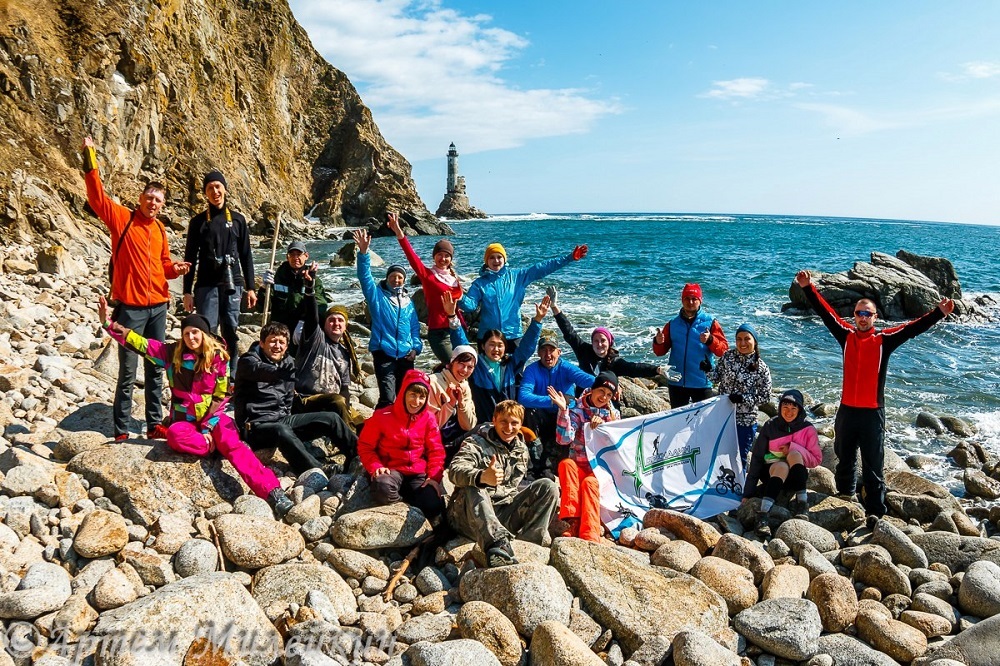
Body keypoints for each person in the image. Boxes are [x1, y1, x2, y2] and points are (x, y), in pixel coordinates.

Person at [98, 297, 293, 517]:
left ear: (204, 334)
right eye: (187, 333)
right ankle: (210, 448)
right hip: (185, 423)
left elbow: (221, 395)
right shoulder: (171, 354)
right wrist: (109, 324)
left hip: (214, 419)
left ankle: (273, 492)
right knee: (173, 435)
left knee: (234, 446)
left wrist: (208, 427)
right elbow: (139, 342)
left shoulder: (219, 357)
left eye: (196, 333)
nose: (191, 337)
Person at [794, 270, 953, 516]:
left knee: (873, 464)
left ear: (875, 317)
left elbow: (912, 328)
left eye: (867, 313)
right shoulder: (846, 336)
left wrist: (938, 313)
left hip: (872, 414)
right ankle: (845, 495)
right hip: (847, 410)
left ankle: (875, 512)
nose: (863, 317)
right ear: (854, 316)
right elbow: (826, 314)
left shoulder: (883, 340)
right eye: (859, 313)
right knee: (843, 456)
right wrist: (808, 288)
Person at [81, 137, 191, 441]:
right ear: (141, 198)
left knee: (156, 367)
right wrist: (90, 155)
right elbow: (97, 198)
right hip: (130, 309)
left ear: (162, 205)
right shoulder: (122, 219)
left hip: (159, 307)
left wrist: (175, 269)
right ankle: (121, 430)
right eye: (149, 198)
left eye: (158, 200)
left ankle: (155, 422)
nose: (153, 203)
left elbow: (164, 266)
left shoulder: (159, 229)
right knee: (128, 372)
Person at [233, 321, 358, 476]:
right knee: (281, 430)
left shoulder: (288, 362)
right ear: (262, 343)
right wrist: (277, 373)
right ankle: (316, 469)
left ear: (286, 346)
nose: (277, 346)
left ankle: (360, 455)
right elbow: (259, 371)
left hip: (282, 419)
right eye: (273, 341)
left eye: (281, 342)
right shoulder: (248, 361)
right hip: (255, 427)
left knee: (330, 418)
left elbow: (288, 398)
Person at [448, 400, 560, 567]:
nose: (509, 428)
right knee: (475, 486)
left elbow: (513, 487)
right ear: (494, 420)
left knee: (548, 487)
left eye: (514, 423)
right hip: (469, 516)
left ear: (521, 424)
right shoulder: (476, 442)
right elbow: (454, 471)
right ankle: (497, 547)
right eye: (503, 422)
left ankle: (528, 545)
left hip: (502, 513)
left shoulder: (521, 449)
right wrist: (482, 477)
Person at [182, 171, 256, 375]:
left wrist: (251, 288)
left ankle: (231, 375)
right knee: (208, 331)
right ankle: (208, 372)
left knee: (231, 330)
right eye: (210, 188)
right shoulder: (198, 222)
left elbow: (246, 255)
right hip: (206, 285)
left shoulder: (239, 220)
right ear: (205, 193)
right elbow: (190, 258)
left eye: (218, 187)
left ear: (225, 189)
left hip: (233, 283)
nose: (215, 191)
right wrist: (187, 291)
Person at [458, 241, 588, 352]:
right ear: (486, 261)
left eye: (499, 257)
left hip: (513, 335)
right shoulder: (479, 283)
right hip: (488, 337)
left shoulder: (518, 276)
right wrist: (459, 296)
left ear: (504, 259)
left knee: (517, 376)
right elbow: (470, 306)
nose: (496, 261)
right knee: (487, 378)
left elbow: (542, 268)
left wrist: (569, 258)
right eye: (492, 257)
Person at [445, 292, 548, 423]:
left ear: (505, 348)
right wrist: (452, 316)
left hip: (508, 424)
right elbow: (461, 344)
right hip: (483, 424)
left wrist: (537, 320)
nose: (496, 349)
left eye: (500, 345)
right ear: (483, 346)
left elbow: (526, 347)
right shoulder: (476, 365)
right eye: (491, 345)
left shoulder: (510, 365)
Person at [358, 370, 446, 519]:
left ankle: (410, 503)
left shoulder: (429, 418)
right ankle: (404, 508)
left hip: (418, 472)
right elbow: (365, 446)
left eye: (422, 397)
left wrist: (433, 478)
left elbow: (436, 451)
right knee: (382, 488)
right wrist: (376, 467)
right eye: (412, 394)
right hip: (390, 469)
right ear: (403, 393)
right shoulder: (382, 416)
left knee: (434, 504)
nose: (416, 401)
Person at [353, 229, 422, 409]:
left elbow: (415, 328)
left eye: (400, 277)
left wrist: (416, 348)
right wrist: (363, 253)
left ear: (404, 280)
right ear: (387, 278)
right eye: (393, 277)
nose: (396, 280)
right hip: (384, 353)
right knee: (388, 399)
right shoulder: (377, 296)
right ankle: (376, 433)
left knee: (404, 398)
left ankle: (400, 433)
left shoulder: (408, 302)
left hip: (406, 357)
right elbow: (364, 277)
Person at [549, 371, 621, 542]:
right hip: (579, 467)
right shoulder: (576, 409)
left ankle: (590, 533)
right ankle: (572, 521)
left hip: (599, 471)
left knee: (590, 483)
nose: (604, 397)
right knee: (566, 464)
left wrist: (605, 427)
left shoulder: (613, 414)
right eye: (601, 391)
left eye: (609, 395)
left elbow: (617, 445)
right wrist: (563, 410)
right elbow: (563, 439)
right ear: (592, 390)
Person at [742, 389, 821, 537]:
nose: (789, 412)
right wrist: (748, 492)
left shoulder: (808, 429)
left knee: (794, 454)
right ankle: (763, 516)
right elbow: (757, 458)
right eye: (785, 407)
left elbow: (816, 459)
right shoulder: (770, 426)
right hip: (772, 475)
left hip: (796, 477)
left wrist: (792, 448)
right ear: (779, 408)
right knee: (782, 465)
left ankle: (802, 505)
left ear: (800, 409)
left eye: (793, 408)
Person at [387, 212, 463, 364]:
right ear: (434, 256)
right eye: (440, 254)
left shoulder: (455, 279)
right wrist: (399, 232)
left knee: (463, 370)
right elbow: (411, 255)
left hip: (457, 330)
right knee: (453, 366)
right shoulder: (428, 276)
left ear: (451, 259)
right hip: (439, 333)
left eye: (447, 255)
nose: (443, 259)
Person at [517, 333, 593, 476]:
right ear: (538, 353)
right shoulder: (532, 369)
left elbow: (589, 380)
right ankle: (535, 460)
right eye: (544, 350)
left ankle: (561, 462)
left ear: (559, 352)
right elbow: (523, 397)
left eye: (551, 350)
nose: (548, 355)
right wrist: (553, 400)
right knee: (528, 411)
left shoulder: (566, 368)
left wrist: (610, 384)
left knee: (572, 415)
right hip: (542, 415)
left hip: (563, 416)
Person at [294, 274, 361, 428]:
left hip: (333, 404)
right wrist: (309, 288)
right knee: (337, 402)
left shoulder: (345, 353)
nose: (336, 323)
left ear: (346, 327)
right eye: (331, 320)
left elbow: (344, 388)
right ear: (324, 325)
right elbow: (312, 316)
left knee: (365, 423)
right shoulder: (315, 340)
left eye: (340, 320)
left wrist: (348, 407)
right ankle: (353, 448)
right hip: (306, 400)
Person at [652, 283, 729, 408]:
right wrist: (658, 342)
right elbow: (659, 352)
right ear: (682, 300)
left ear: (700, 300)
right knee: (678, 423)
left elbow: (724, 351)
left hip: (702, 382)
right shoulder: (672, 324)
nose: (691, 302)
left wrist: (710, 340)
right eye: (687, 298)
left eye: (694, 298)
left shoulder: (710, 322)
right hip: (676, 382)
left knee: (703, 423)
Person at [710, 323, 772, 467]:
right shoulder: (727, 357)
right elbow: (716, 378)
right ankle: (717, 487)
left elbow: (765, 397)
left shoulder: (761, 367)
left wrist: (743, 399)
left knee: (739, 458)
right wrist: (707, 370)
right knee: (718, 454)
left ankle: (739, 487)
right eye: (739, 339)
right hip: (722, 415)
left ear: (754, 341)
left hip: (745, 421)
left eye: (747, 339)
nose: (742, 343)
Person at [258, 241, 329, 342]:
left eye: (299, 254)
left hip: (303, 329)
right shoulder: (278, 277)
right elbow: (263, 307)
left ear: (306, 256)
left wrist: (304, 322)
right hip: (280, 330)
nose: (295, 258)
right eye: (292, 254)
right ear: (287, 257)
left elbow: (321, 306)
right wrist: (264, 288)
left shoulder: (313, 279)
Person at [428, 343, 478, 462]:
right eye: (461, 364)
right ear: (452, 363)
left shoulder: (464, 385)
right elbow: (429, 426)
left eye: (470, 367)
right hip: (435, 442)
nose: (464, 370)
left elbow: (469, 425)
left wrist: (461, 404)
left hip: (455, 438)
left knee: (488, 428)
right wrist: (450, 404)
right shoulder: (433, 382)